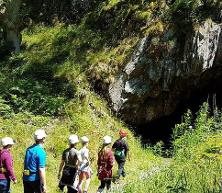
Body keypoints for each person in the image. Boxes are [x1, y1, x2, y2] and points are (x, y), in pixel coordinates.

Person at [23, 129, 47, 193]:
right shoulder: (41, 151)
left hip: (26, 178)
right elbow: (41, 169)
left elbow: (26, 165)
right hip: (35, 180)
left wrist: (25, 176)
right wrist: (44, 185)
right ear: (43, 138)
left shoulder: (28, 149)